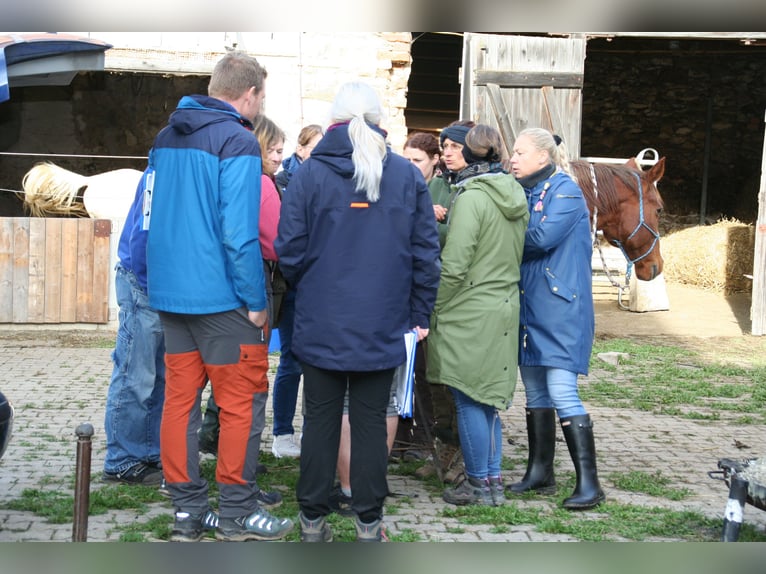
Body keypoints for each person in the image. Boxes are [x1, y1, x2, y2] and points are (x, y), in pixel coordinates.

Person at [275, 81, 440, 542]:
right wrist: (418, 311)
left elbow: (289, 249)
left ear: (334, 122)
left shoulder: (309, 174)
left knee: (321, 420)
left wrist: (314, 283)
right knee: (370, 422)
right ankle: (369, 524)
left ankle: (312, 523)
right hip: (383, 320)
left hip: (321, 319)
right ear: (380, 120)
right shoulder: (407, 176)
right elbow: (426, 253)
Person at [145, 51, 294, 542]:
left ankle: (188, 512)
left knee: (179, 404)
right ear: (249, 94)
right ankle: (236, 511)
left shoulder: (166, 137)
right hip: (223, 298)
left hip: (171, 295)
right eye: (262, 96)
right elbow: (239, 231)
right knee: (241, 406)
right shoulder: (237, 140)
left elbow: (151, 215)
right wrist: (255, 298)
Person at [426, 124, 528, 507]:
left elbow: (454, 264)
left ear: (470, 155)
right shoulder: (513, 191)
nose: (449, 153)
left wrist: (434, 304)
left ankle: (477, 484)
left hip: (469, 308)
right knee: (485, 400)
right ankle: (492, 483)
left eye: (456, 148)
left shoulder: (471, 197)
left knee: (468, 398)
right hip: (503, 304)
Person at [507, 127, 606, 511]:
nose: (512, 158)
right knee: (535, 393)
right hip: (532, 307)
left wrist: (498, 236)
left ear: (543, 158)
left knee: (563, 391)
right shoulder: (527, 191)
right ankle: (540, 473)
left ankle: (590, 485)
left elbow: (539, 239)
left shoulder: (564, 191)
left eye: (519, 152)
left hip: (560, 308)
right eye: (512, 152)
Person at [198, 114, 286, 461]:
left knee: (219, 369)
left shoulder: (224, 175)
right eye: (275, 149)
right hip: (252, 280)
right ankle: (238, 463)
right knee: (247, 377)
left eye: (282, 151)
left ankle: (210, 437)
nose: (279, 156)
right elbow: (275, 241)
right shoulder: (262, 183)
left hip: (216, 283)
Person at [102, 168, 165, 487]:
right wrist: (144, 282)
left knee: (159, 378)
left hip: (163, 286)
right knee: (135, 376)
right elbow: (145, 228)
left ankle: (150, 452)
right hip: (144, 283)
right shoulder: (161, 170)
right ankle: (121, 459)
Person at [270, 123, 324, 459]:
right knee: (291, 361)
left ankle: (314, 430)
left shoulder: (325, 182)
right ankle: (283, 432)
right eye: (313, 149)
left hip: (317, 287)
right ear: (301, 150)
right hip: (293, 287)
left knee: (318, 363)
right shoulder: (281, 183)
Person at [275, 124, 323, 195]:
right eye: (317, 148)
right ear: (300, 150)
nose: (322, 153)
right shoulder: (282, 180)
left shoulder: (328, 178)